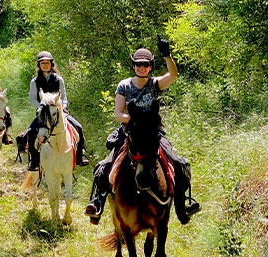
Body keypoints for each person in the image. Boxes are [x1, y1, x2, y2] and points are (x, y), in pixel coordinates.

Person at [84, 37, 201, 225]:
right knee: (105, 165)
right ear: (133, 65)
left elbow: (173, 75)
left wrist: (167, 55)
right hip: (129, 133)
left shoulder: (155, 84)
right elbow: (117, 114)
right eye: (138, 64)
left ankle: (181, 206)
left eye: (146, 64)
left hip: (153, 133)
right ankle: (98, 202)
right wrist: (135, 120)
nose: (142, 67)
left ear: (150, 66)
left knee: (178, 163)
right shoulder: (124, 85)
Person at [26, 51, 89, 171]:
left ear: (51, 64)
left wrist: (63, 108)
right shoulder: (34, 81)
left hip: (58, 112)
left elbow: (64, 97)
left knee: (78, 127)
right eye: (42, 63)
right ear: (39, 65)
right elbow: (32, 98)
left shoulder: (59, 79)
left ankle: (80, 157)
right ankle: (34, 161)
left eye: (47, 63)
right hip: (43, 113)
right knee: (30, 132)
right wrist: (41, 107)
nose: (45, 65)